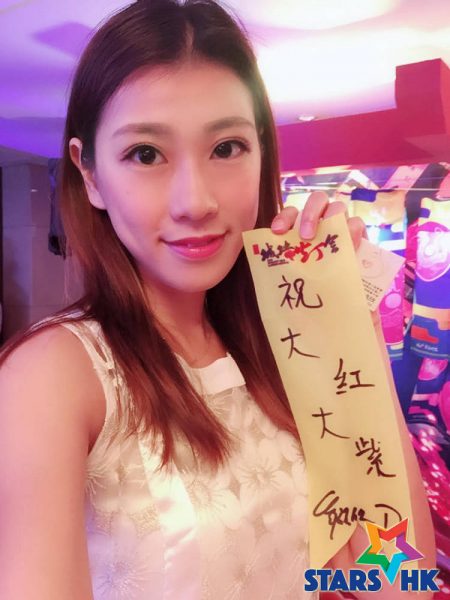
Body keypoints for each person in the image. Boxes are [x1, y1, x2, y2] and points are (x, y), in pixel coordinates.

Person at [0, 0, 436, 598]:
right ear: (91, 175)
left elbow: (397, 583)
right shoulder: (53, 376)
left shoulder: (280, 351)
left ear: (260, 153)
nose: (196, 201)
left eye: (226, 147)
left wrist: (347, 336)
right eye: (145, 154)